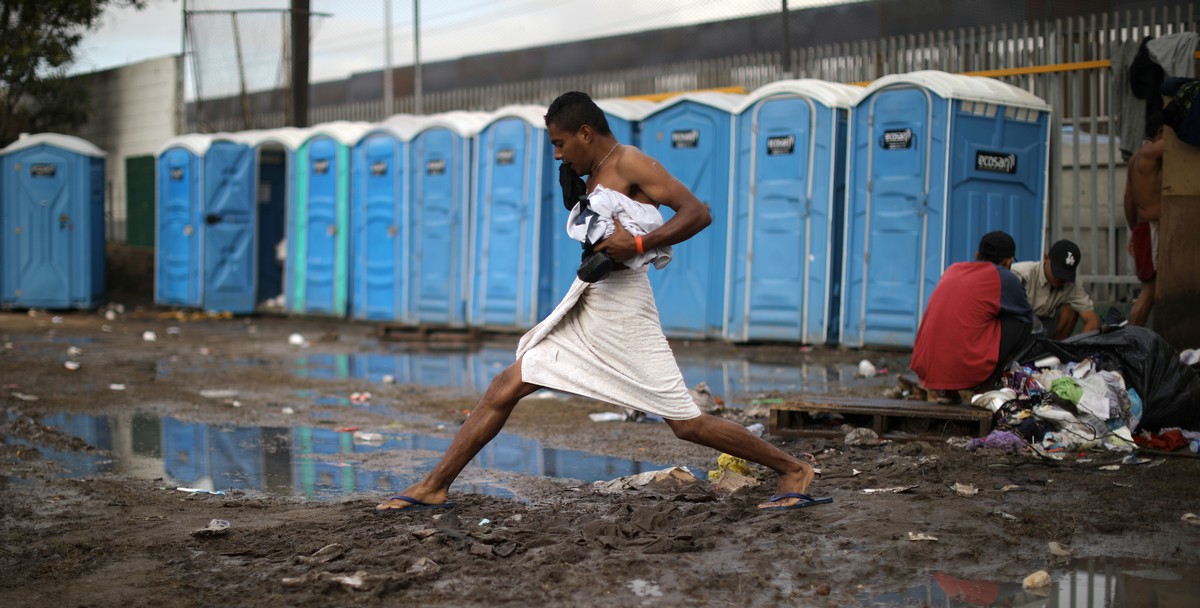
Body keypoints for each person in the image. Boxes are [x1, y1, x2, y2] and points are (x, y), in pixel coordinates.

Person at [375, 91, 819, 512]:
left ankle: (794, 469)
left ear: (585, 133)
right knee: (505, 384)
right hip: (593, 296)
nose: (557, 153)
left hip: (626, 308)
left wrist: (642, 244)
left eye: (560, 143)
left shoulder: (630, 161)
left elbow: (697, 213)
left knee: (685, 424)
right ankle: (435, 486)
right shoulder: (596, 171)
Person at [909, 231, 1035, 404]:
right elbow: (1026, 316)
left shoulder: (952, 269)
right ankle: (986, 385)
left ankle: (946, 391)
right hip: (967, 365)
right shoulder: (1003, 277)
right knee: (1022, 323)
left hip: (928, 366)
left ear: (977, 255)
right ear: (1009, 261)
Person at [1010, 239, 1099, 339]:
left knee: (1070, 309)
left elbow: (1092, 322)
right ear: (1046, 258)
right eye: (1057, 272)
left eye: (1065, 275)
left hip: (1047, 328)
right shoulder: (1020, 274)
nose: (1060, 279)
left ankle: (1056, 351)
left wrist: (1077, 347)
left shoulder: (1073, 285)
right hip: (1019, 326)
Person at [1124, 125, 1164, 327]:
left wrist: (1134, 231)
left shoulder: (1134, 159)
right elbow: (1176, 142)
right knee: (1149, 293)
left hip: (1143, 228)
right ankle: (1129, 343)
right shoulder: (1151, 152)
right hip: (1152, 227)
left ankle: (1132, 343)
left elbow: (1128, 199)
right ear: (1160, 130)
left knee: (1153, 292)